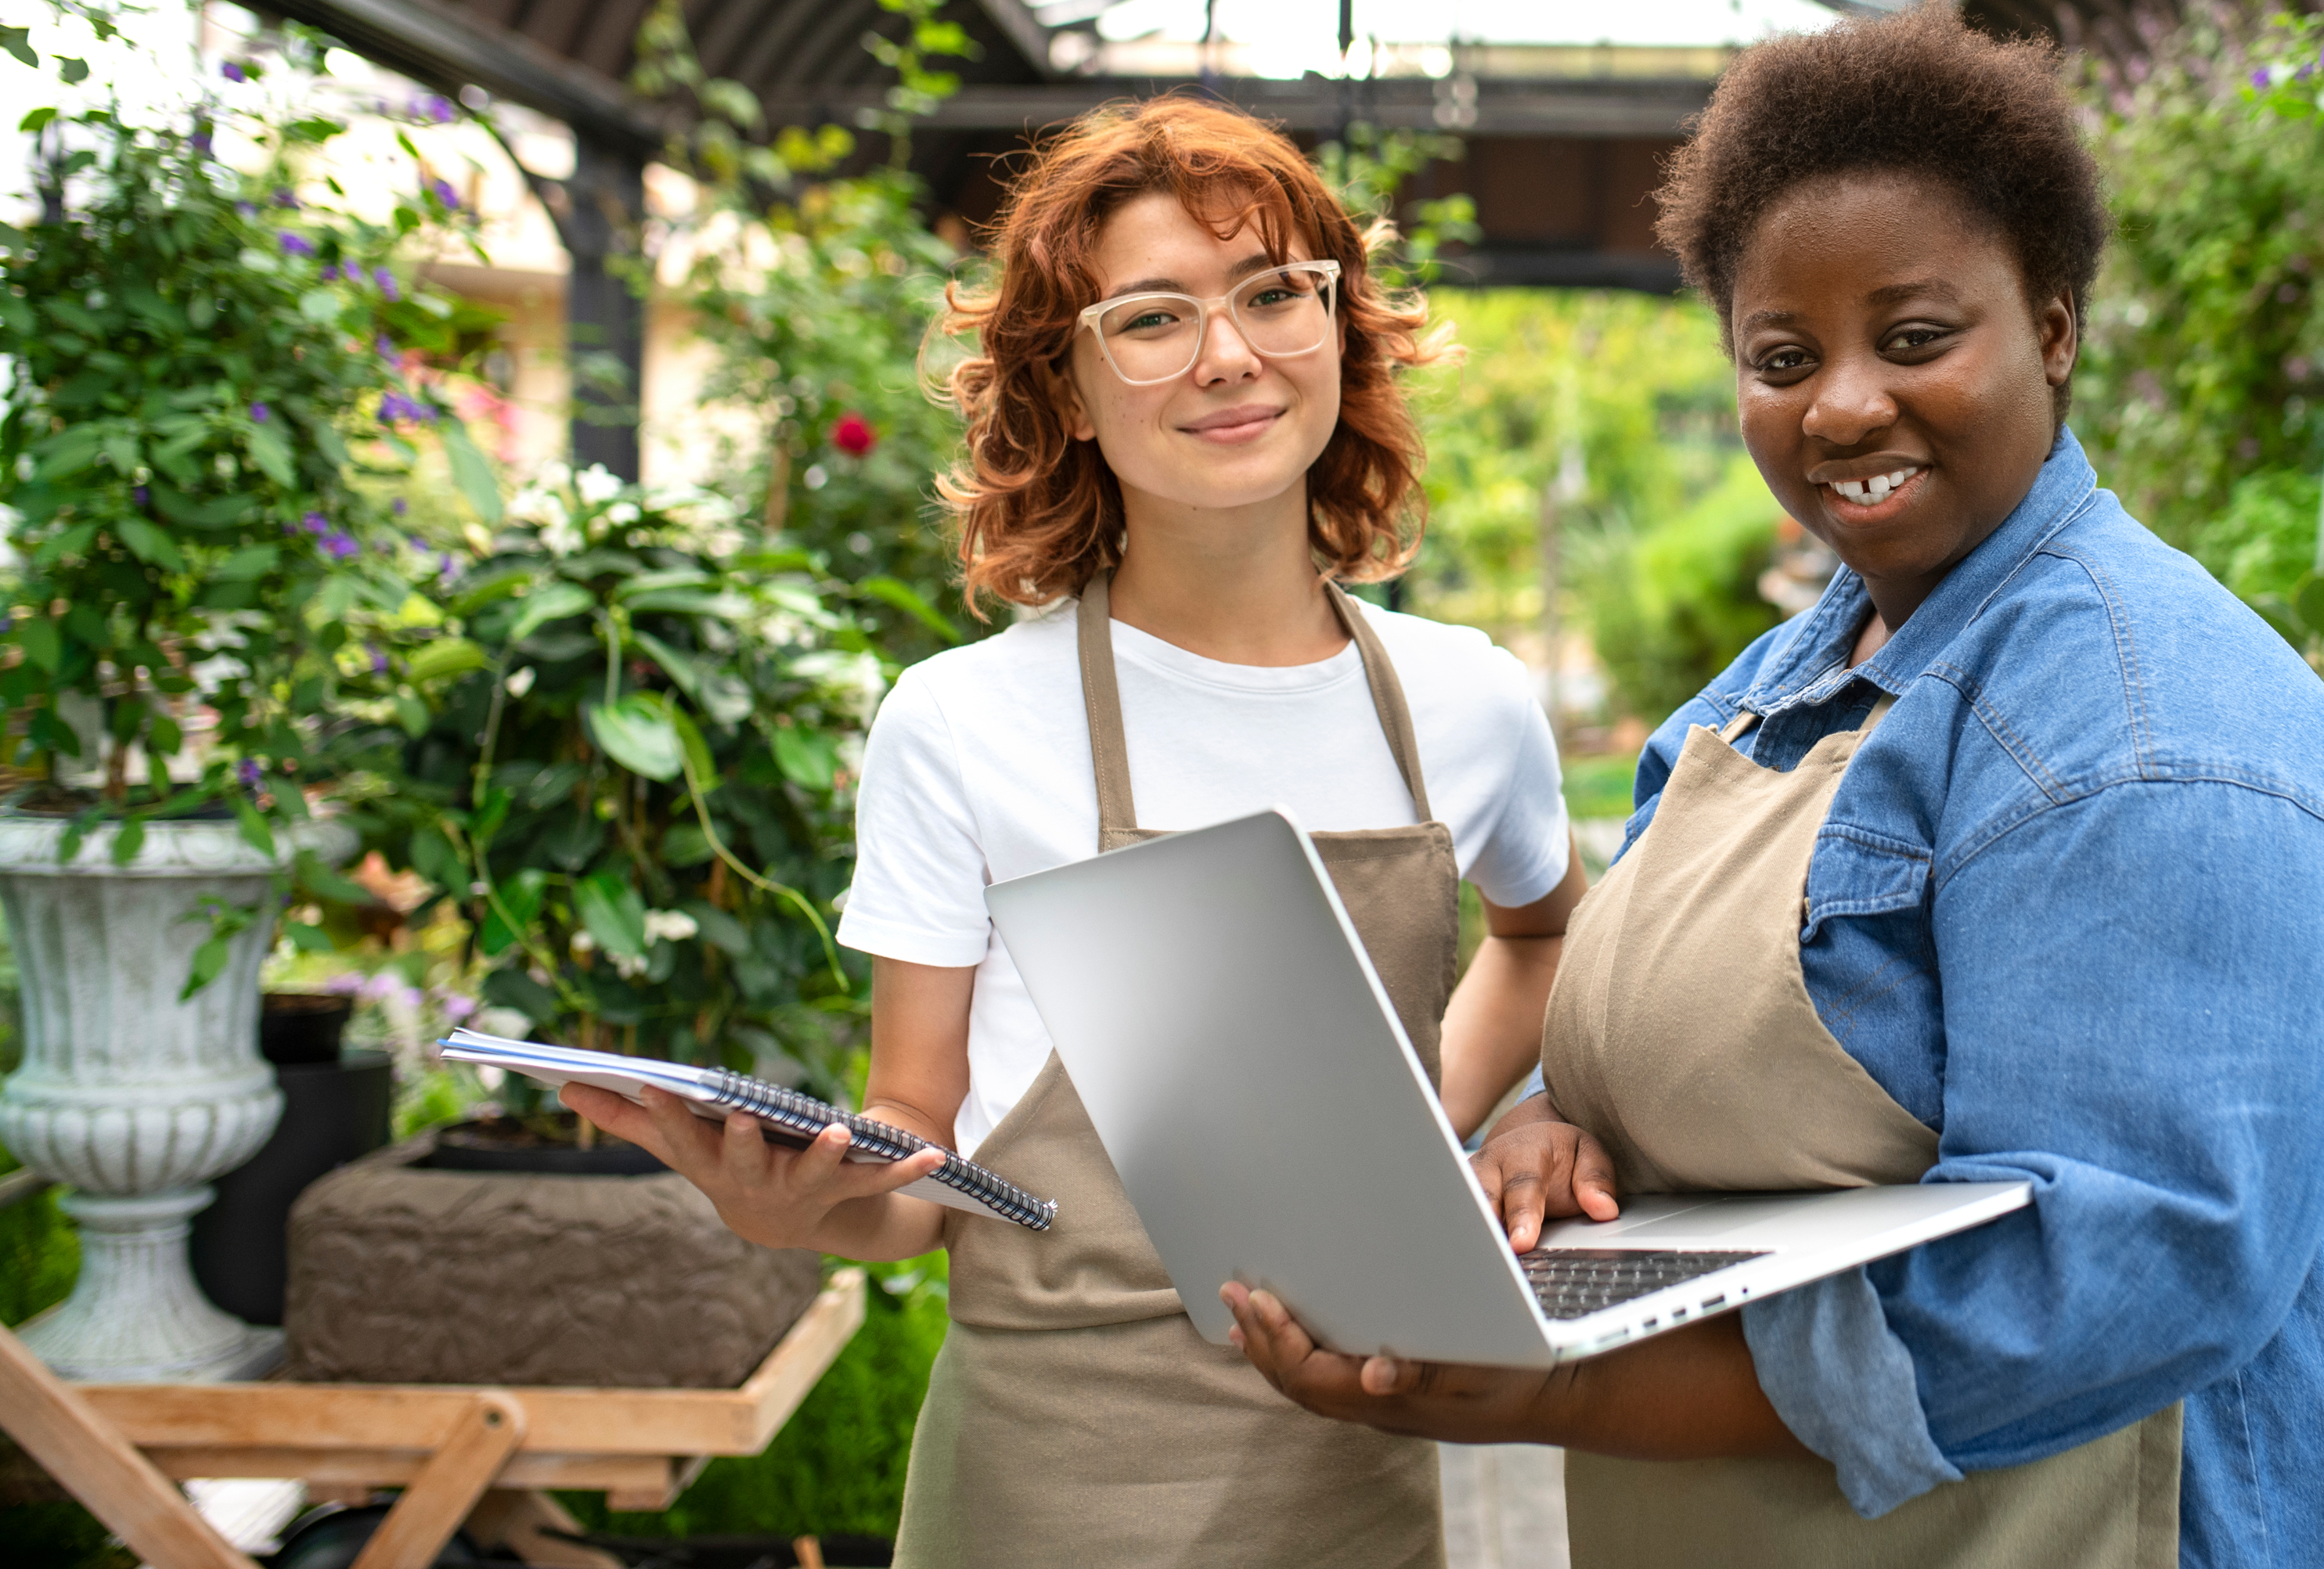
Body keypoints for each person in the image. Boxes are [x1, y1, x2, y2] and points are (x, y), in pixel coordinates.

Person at [1227, 6, 2324, 1567]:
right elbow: (1681, 1054)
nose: (1837, 405)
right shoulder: (1756, 703)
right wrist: (1553, 1126)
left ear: (2054, 325)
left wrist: (1568, 1383)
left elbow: (2138, 1263)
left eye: (1912, 335)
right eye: (1779, 355)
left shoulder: (2153, 737)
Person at [567, 99, 1582, 1569]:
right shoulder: (963, 722)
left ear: (1342, 332)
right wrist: (794, 1211)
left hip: (1354, 1472)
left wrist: (1421, 1124)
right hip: (1046, 1481)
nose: (1228, 355)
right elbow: (919, 1167)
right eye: (1152, 317)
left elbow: (1543, 932)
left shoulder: (1467, 705)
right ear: (1067, 385)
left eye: (1274, 295)